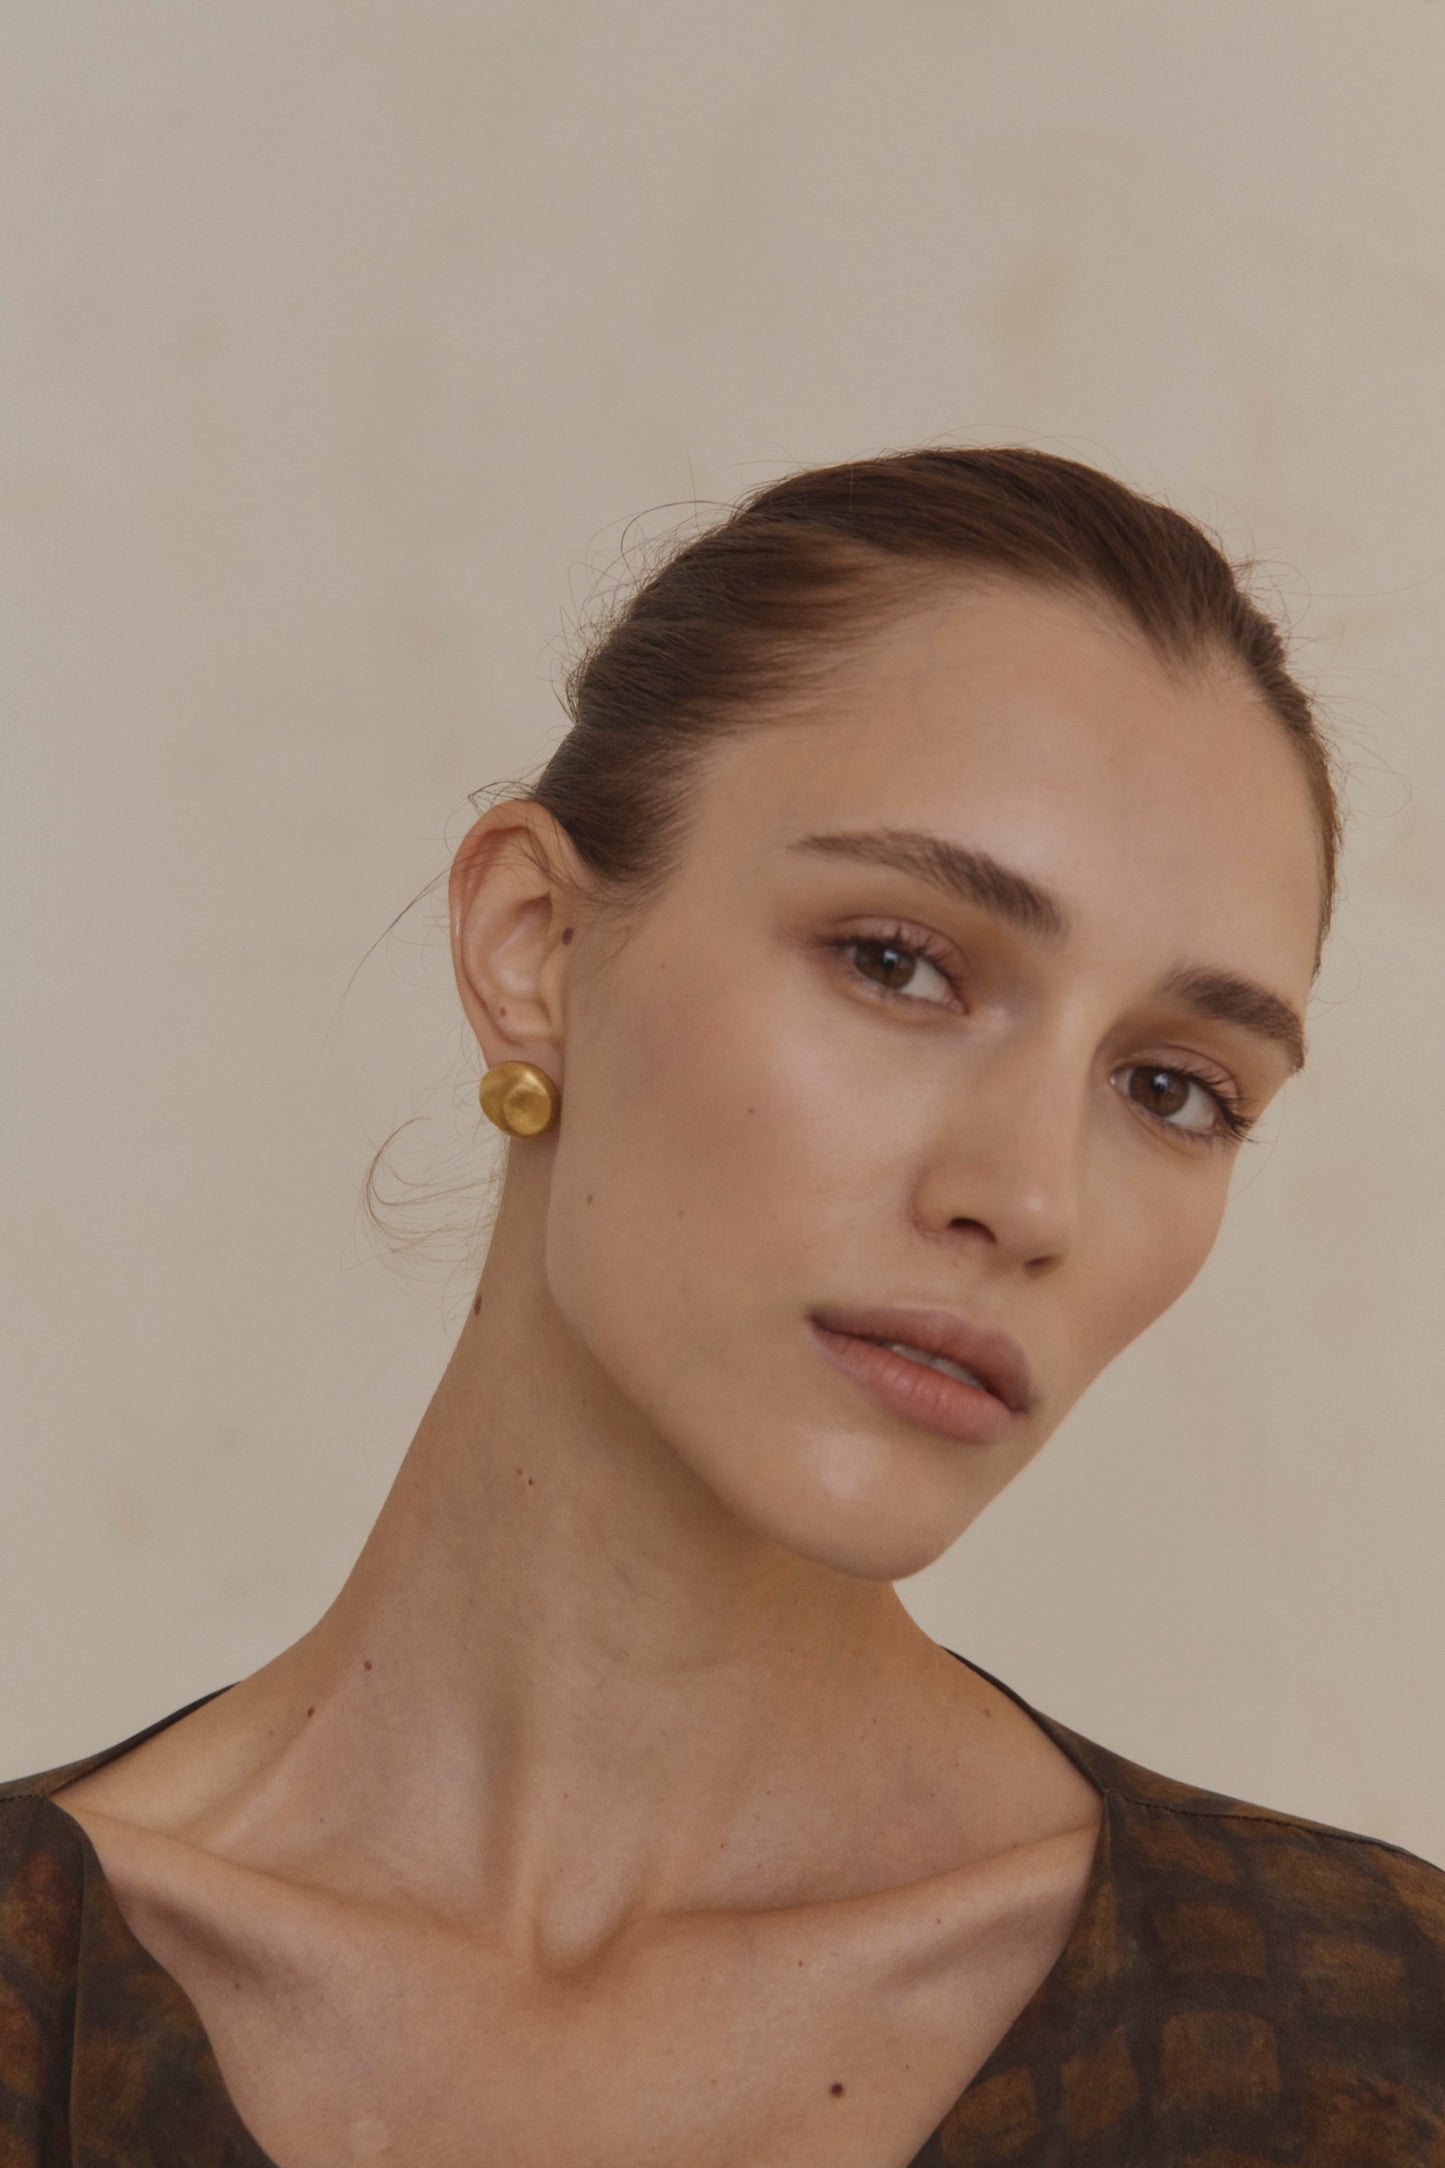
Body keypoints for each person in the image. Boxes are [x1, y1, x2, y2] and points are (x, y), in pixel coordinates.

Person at [2, 448, 1441, 2167]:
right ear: (536, 947)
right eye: (898, 963)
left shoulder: (1372, 2045)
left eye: (1171, 1088)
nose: (1031, 1197)